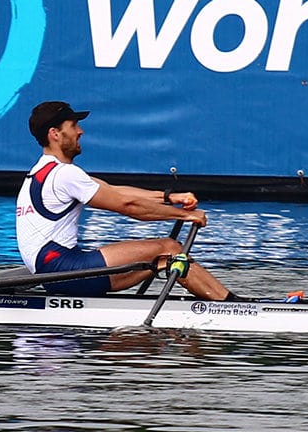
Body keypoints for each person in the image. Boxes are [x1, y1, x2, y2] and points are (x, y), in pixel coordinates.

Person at [16, 100, 243, 301]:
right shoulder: (64, 175)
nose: (81, 131)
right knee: (170, 248)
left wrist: (170, 197)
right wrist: (185, 214)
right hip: (63, 270)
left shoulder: (44, 171)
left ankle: (226, 302)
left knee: (163, 258)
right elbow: (128, 206)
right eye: (74, 126)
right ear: (55, 133)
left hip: (55, 271)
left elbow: (116, 191)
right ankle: (233, 307)